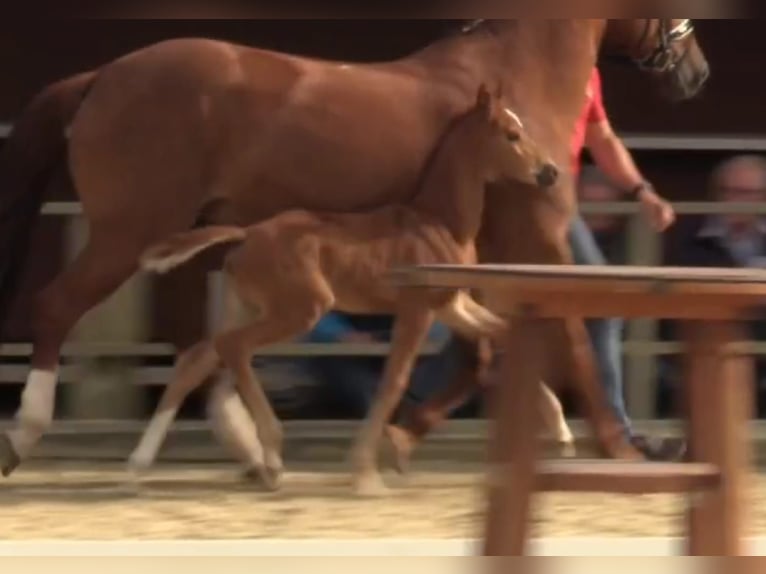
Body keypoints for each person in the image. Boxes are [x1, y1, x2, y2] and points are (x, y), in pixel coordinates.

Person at [569, 66, 684, 461]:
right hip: (527, 202)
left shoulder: (586, 71)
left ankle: (615, 434)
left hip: (556, 208)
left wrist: (642, 191)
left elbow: (600, 136)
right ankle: (615, 435)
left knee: (601, 306)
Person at [659, 155, 766, 418]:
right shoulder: (684, 235)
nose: (738, 201)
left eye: (749, 193)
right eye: (729, 192)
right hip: (705, 345)